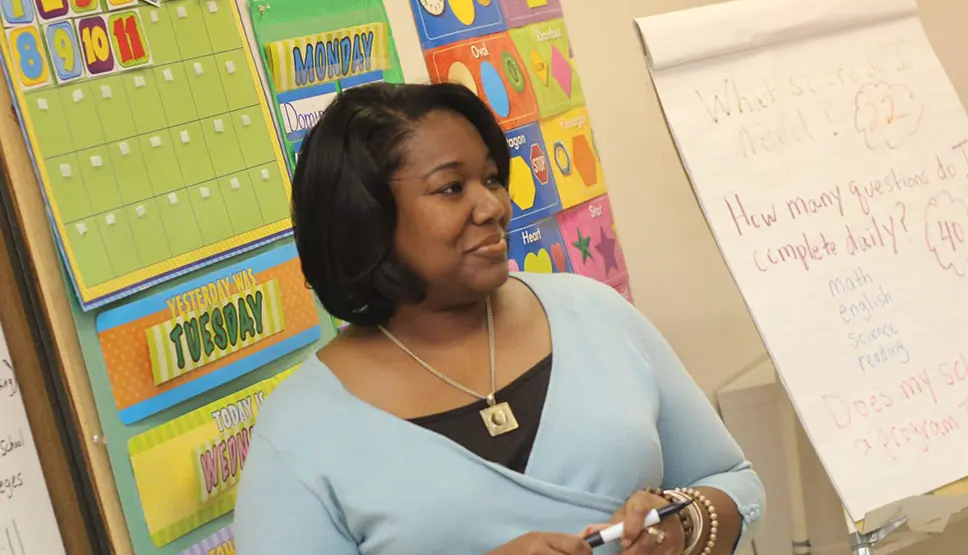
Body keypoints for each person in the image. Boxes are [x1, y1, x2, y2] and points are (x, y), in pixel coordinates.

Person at [234, 82, 765, 555]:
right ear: (365, 216)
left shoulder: (596, 315)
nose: (493, 206)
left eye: (491, 178)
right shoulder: (301, 433)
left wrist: (684, 524)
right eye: (451, 187)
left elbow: (733, 480)